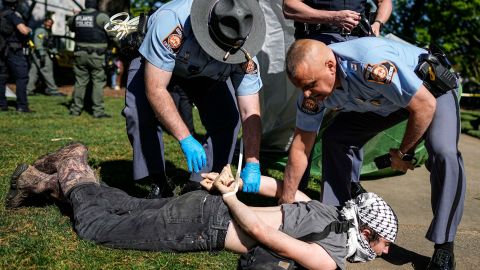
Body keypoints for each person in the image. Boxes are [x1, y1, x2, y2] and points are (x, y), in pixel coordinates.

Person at [6, 143, 398, 270]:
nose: (382, 253)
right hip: (204, 227)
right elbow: (265, 235)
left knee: (125, 205)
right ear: (367, 231)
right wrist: (229, 194)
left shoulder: (331, 212)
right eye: (383, 245)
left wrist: (231, 182)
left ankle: (39, 182)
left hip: (205, 208)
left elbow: (279, 189)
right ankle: (73, 166)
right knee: (98, 229)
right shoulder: (331, 259)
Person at [281, 38, 464, 270]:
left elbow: (423, 105)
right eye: (301, 88)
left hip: (430, 91)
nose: (306, 94)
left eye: (310, 84)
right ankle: (335, 222)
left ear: (330, 66)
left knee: (444, 153)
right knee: (336, 138)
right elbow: (300, 145)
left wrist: (402, 153)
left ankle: (444, 244)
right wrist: (286, 203)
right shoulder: (313, 94)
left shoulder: (370, 64)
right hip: (383, 101)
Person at [123, 0, 265, 198]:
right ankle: (156, 181)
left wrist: (252, 162)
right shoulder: (172, 23)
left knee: (228, 119)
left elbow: (250, 112)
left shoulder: (245, 50)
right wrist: (186, 138)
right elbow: (156, 89)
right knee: (138, 113)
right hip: (156, 66)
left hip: (206, 75)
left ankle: (203, 181)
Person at [282, 0, 392, 195]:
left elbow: (385, 2)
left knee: (352, 125)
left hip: (356, 50)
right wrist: (333, 17)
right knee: (307, 125)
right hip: (317, 49)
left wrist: (377, 24)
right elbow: (289, 7)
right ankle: (296, 193)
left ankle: (347, 193)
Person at [68, 0, 111, 118]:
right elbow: (113, 34)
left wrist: (77, 15)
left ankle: (76, 110)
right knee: (98, 82)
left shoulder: (76, 17)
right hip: (97, 56)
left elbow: (71, 27)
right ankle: (98, 111)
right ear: (96, 5)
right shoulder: (101, 17)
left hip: (79, 54)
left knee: (80, 82)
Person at [0, 0, 32, 112]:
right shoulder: (13, 15)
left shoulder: (1, 14)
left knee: (2, 78)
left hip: (1, 50)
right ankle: (22, 106)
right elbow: (23, 31)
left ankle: (1, 105)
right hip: (14, 50)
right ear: (15, 4)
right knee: (22, 77)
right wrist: (29, 30)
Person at [26, 17, 65, 96]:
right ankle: (53, 90)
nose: (50, 24)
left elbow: (48, 45)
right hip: (40, 53)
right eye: (48, 22)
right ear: (44, 22)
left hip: (37, 53)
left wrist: (56, 52)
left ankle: (28, 90)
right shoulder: (41, 31)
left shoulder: (46, 31)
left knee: (34, 72)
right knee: (47, 70)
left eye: (51, 23)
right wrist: (42, 54)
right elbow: (38, 43)